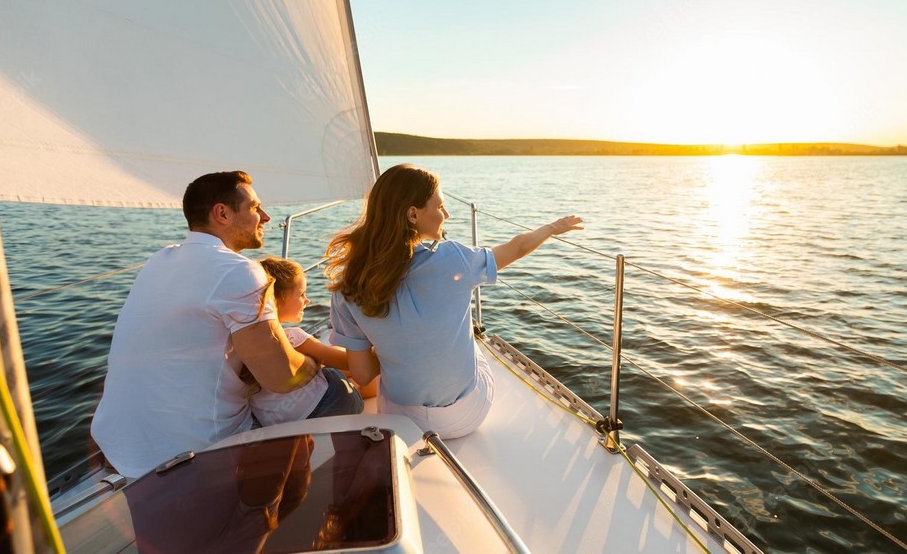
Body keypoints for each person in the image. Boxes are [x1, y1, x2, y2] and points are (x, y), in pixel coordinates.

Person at [91, 171, 360, 477]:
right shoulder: (238, 271)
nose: (266, 217)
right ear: (222, 213)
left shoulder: (159, 260)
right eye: (255, 208)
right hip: (197, 449)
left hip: (119, 445)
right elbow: (281, 375)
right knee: (338, 391)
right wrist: (317, 364)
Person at [325, 163, 583, 438]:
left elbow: (362, 376)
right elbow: (517, 248)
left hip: (399, 420)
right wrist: (552, 228)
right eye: (439, 207)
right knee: (474, 341)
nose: (446, 214)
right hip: (464, 416)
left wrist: (396, 347)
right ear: (413, 214)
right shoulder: (454, 259)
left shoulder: (348, 287)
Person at [247, 256, 361, 427]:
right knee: (344, 370)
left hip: (279, 424)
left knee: (326, 362)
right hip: (333, 404)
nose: (308, 300)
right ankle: (358, 389)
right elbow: (350, 363)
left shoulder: (241, 345)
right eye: (301, 294)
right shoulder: (293, 338)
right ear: (277, 300)